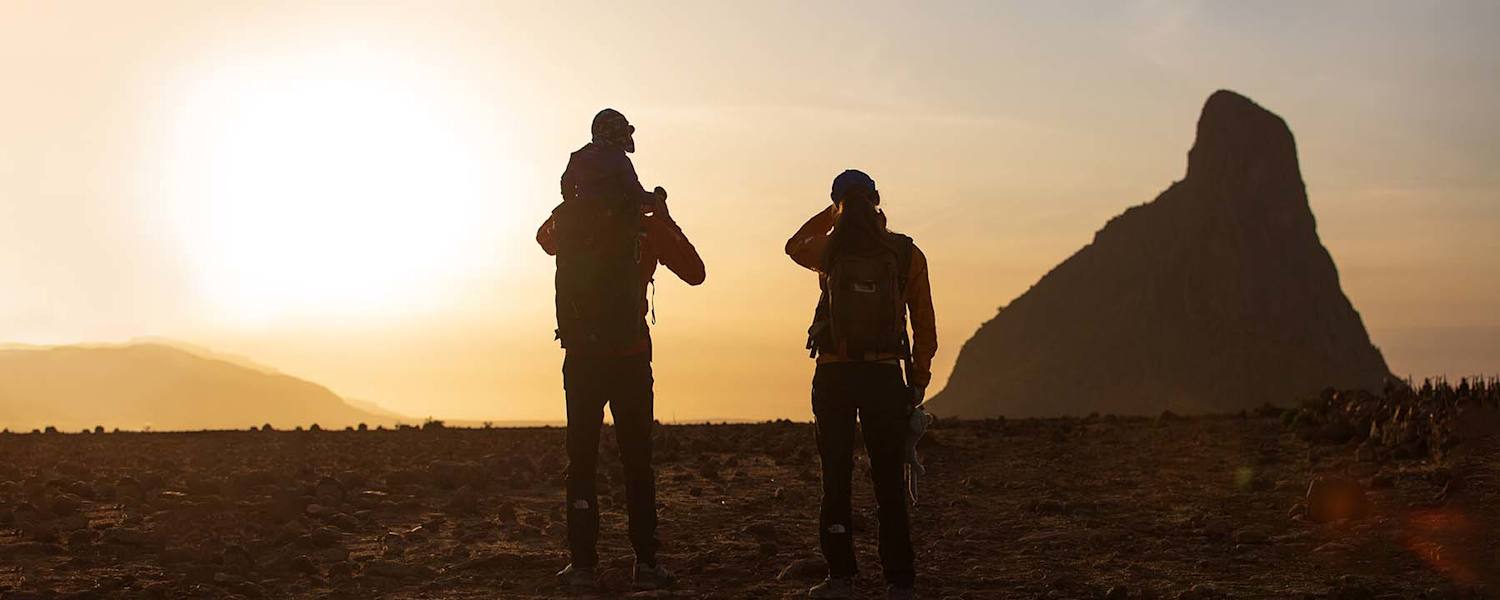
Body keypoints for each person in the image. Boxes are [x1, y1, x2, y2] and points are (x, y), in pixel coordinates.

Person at [537, 108, 705, 592]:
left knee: (582, 462)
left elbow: (543, 242)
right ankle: (646, 562)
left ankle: (583, 565)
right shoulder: (642, 221)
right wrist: (663, 218)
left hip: (582, 357)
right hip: (631, 355)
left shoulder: (568, 219)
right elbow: (694, 272)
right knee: (637, 461)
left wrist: (569, 212)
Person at [784, 170, 937, 600]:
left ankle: (841, 578)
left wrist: (832, 215)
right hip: (885, 375)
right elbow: (925, 326)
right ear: (877, 200)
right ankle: (900, 581)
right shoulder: (906, 253)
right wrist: (918, 380)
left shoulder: (829, 248)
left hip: (835, 373)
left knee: (835, 476)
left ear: (838, 203)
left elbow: (793, 245)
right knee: (888, 479)